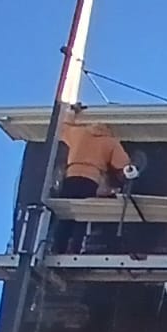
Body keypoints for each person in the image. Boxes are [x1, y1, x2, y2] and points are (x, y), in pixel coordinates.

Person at [53, 105, 137, 251]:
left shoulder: (79, 133)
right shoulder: (111, 141)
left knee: (66, 212)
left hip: (71, 176)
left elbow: (63, 127)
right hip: (90, 180)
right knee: (83, 214)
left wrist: (72, 112)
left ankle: (58, 247)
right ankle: (75, 249)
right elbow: (123, 165)